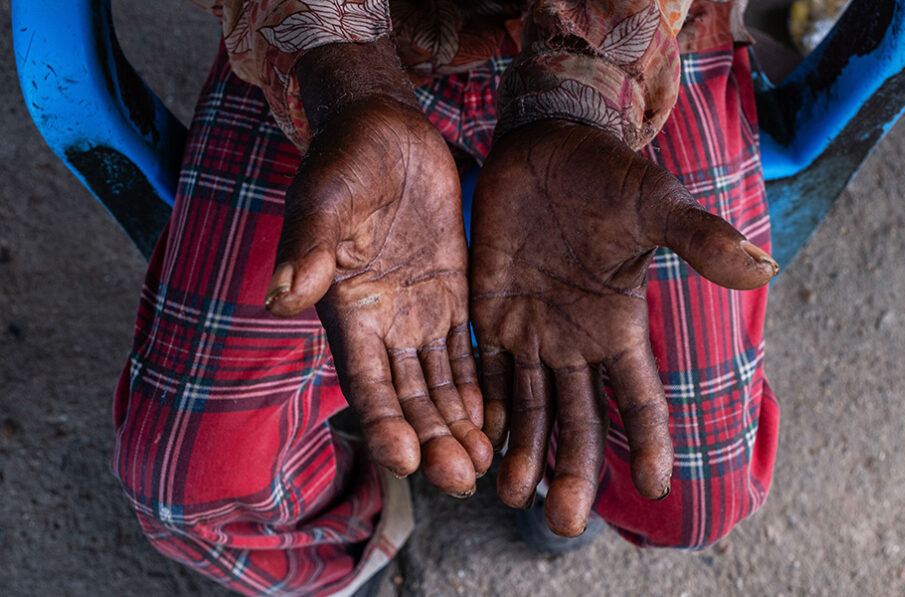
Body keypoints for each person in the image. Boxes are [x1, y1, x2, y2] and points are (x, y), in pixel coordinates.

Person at [112, 0, 780, 594]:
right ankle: (352, 532)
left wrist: (582, 92)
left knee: (695, 493)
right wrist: (346, 79)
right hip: (331, 39)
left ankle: (555, 453)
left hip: (643, 42)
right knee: (187, 484)